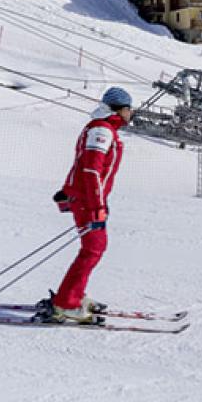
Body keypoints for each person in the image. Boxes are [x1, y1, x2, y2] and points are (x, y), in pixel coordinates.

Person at [42, 87, 132, 324]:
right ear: (120, 109)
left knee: (92, 249)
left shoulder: (103, 128)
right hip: (88, 201)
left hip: (87, 199)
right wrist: (97, 205)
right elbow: (91, 169)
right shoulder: (102, 130)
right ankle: (66, 303)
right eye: (129, 109)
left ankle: (72, 295)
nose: (131, 114)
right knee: (93, 249)